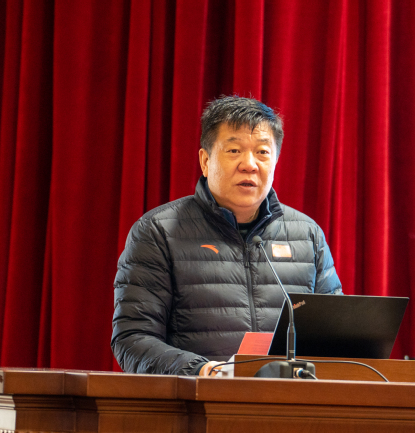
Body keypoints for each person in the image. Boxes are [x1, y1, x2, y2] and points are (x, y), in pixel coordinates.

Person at [111, 96, 342, 376]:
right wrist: (203, 371)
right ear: (205, 161)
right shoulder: (158, 232)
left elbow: (336, 337)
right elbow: (133, 339)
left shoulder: (307, 235)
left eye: (262, 152)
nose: (249, 164)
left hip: (289, 399)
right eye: (234, 150)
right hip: (200, 396)